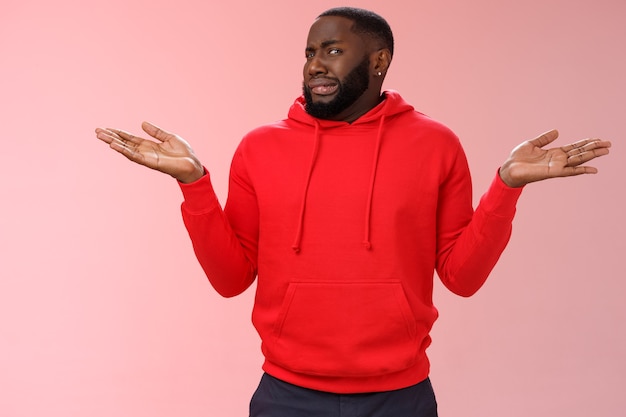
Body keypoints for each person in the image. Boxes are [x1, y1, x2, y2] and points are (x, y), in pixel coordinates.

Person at [95, 7, 611, 417]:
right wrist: (194, 185)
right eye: (309, 53)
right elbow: (231, 279)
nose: (315, 65)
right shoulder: (258, 148)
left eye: (333, 50)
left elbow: (462, 276)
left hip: (400, 398)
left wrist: (506, 188)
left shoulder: (436, 144)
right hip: (286, 396)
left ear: (379, 60)